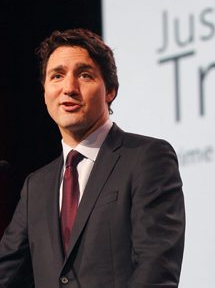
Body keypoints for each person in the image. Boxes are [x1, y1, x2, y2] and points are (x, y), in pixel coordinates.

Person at [0, 29, 185, 287]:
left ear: (110, 90)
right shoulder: (36, 186)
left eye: (84, 75)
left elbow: (156, 267)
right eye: (57, 76)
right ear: (44, 93)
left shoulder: (146, 158)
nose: (69, 88)